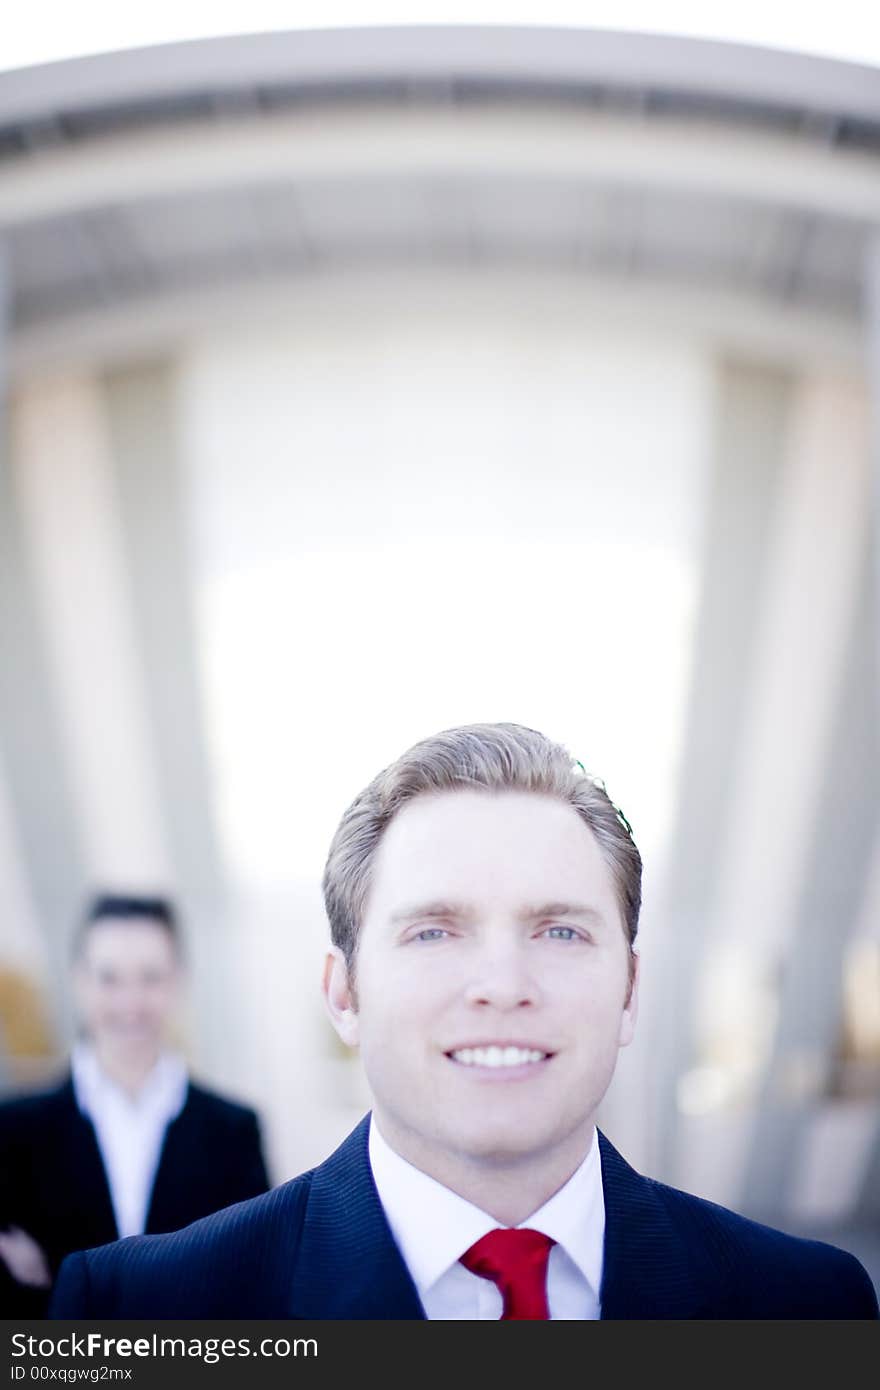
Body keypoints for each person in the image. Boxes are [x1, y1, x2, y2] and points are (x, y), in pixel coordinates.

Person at [50, 726, 878, 1319]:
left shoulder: (811, 1307)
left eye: (559, 930)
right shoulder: (135, 1314)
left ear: (629, 992)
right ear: (344, 995)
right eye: (434, 931)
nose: (502, 985)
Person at [1, 894, 270, 1316]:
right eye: (110, 978)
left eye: (150, 977)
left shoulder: (233, 1131)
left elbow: (252, 1280)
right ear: (78, 981)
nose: (131, 1002)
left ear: (178, 982)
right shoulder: (13, 1132)